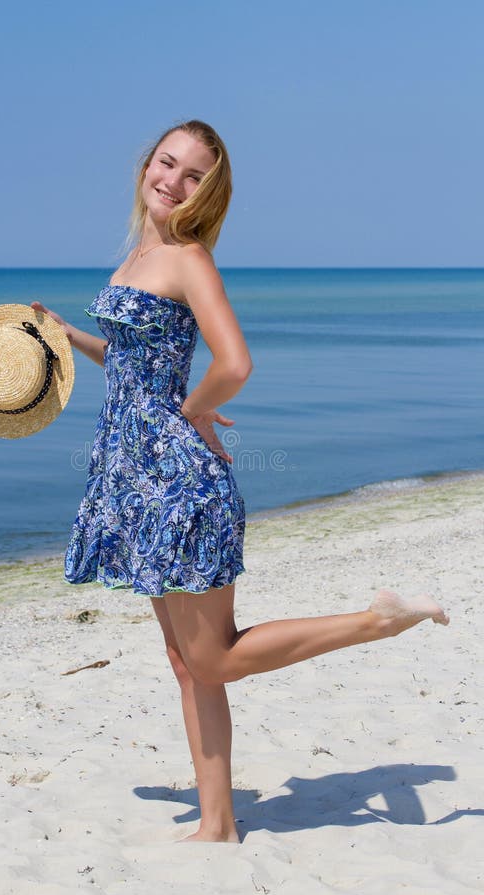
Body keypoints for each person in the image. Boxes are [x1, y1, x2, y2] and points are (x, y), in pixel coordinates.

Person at [31, 119, 449, 844]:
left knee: (212, 656)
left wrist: (193, 412)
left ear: (209, 192)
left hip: (175, 483)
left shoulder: (190, 259)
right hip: (133, 478)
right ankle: (218, 824)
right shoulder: (138, 254)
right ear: (146, 165)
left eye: (194, 175)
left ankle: (377, 620)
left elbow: (235, 364)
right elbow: (136, 372)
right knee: (188, 664)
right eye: (167, 163)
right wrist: (73, 338)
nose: (174, 181)